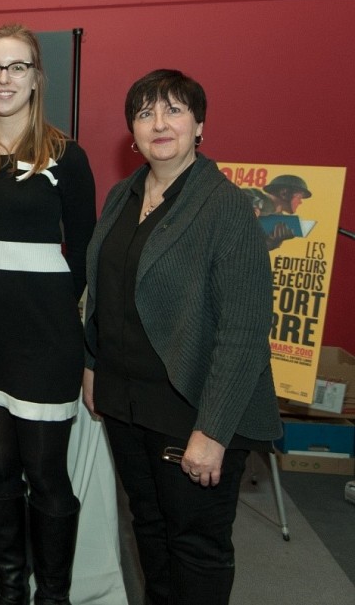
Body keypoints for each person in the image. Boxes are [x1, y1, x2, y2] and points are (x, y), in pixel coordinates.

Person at [82, 69, 281, 605]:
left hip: (191, 410)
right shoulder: (122, 195)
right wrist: (92, 363)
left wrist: (213, 432)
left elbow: (243, 332)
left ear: (200, 127)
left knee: (196, 547)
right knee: (148, 529)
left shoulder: (226, 206)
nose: (159, 123)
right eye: (145, 113)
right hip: (127, 405)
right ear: (132, 131)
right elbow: (104, 294)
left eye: (173, 110)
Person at [0, 23, 96, 605]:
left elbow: (84, 249)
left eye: (16, 67)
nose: (3, 79)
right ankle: (10, 589)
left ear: (37, 78)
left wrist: (55, 311)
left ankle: (51, 596)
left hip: (45, 336)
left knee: (47, 477)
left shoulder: (67, 155)